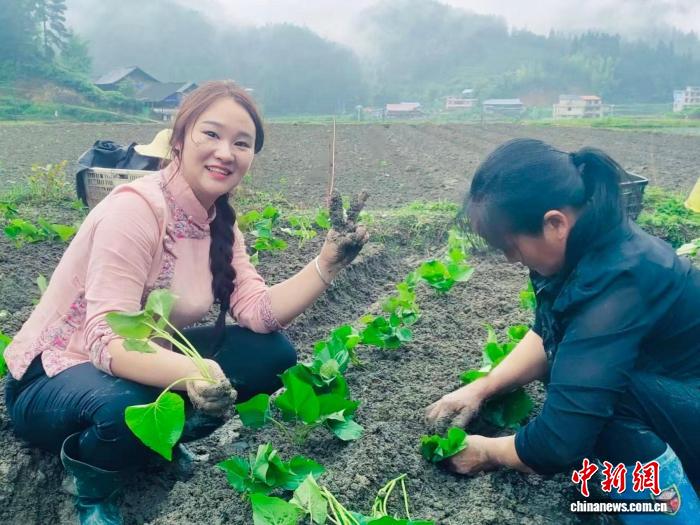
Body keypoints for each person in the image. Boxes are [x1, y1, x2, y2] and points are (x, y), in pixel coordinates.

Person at [3, 80, 369, 525]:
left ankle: (159, 443)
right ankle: (93, 488)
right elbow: (104, 339)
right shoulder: (135, 209)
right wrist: (192, 372)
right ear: (178, 139)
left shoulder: (219, 223)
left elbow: (258, 312)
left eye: (241, 143)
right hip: (53, 377)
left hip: (133, 365)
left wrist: (327, 264)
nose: (225, 152)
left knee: (271, 354)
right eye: (211, 134)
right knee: (127, 404)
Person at [425, 139, 700, 523]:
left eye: (510, 246)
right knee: (579, 374)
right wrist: (482, 387)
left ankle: (673, 513)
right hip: (676, 391)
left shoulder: (620, 281)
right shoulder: (587, 245)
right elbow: (549, 333)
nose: (510, 258)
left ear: (555, 223)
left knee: (603, 402)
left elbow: (558, 442)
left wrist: (487, 451)